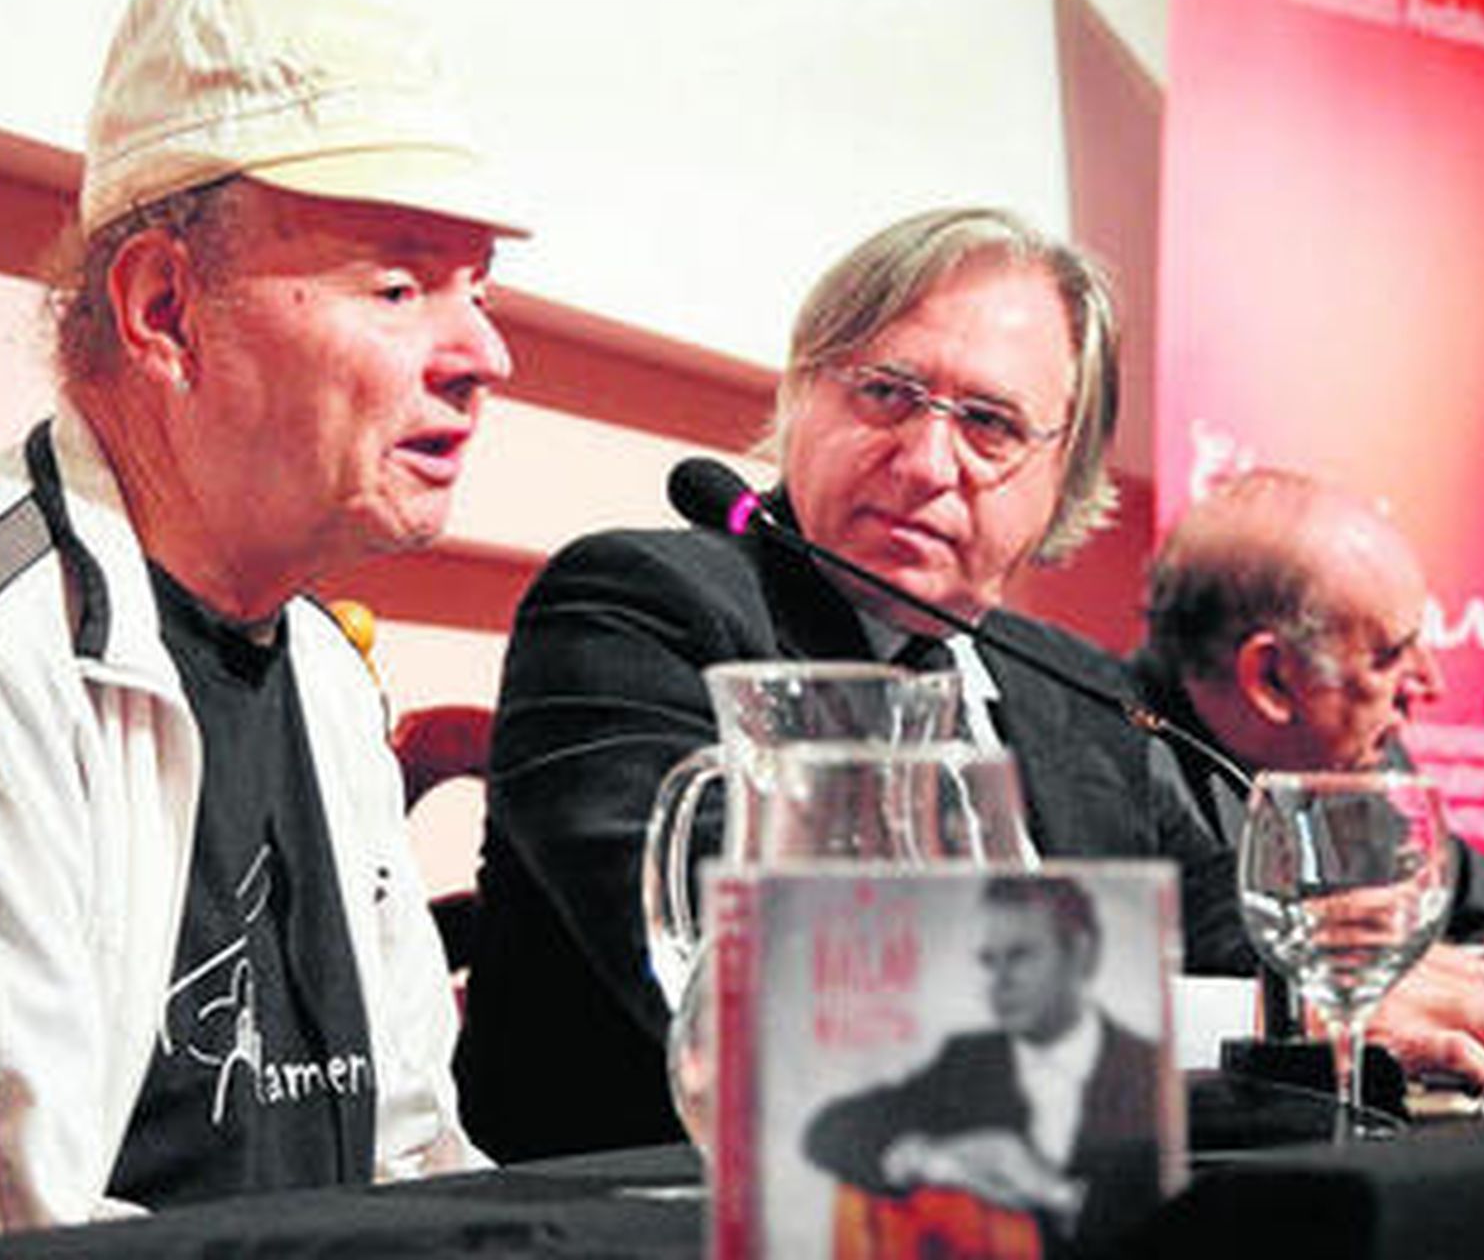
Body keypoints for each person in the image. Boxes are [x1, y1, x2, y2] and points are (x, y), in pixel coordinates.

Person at [464, 206, 1250, 1162]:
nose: (924, 463)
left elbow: (1234, 942)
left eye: (991, 424)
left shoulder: (1077, 691)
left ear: (1065, 475)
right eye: (885, 393)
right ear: (804, 398)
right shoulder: (643, 606)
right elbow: (788, 994)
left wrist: (1362, 986)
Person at [0, 0, 523, 1233]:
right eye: (400, 286)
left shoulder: (317, 655)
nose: (485, 355)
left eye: (481, 290)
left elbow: (420, 1151)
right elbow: (11, 1226)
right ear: (164, 307)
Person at [1134, 468, 1484, 1084]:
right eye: (1391, 655)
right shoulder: (1111, 771)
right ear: (1270, 678)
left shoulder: (1359, 759)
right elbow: (1227, 972)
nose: (1431, 684)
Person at [804, 877, 1161, 1258]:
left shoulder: (1149, 1067)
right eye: (989, 961)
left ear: (1081, 954)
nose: (998, 981)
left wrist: (1055, 1192)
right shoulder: (969, 1060)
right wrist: (934, 1158)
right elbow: (829, 1129)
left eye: (1020, 955)